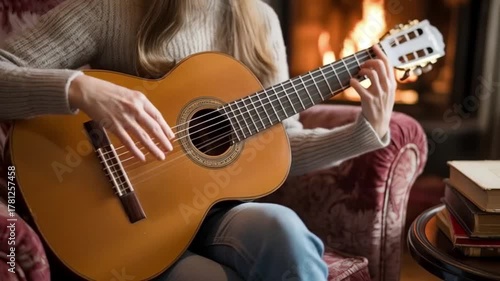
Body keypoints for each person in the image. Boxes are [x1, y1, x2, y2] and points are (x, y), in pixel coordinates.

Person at [0, 0, 396, 280]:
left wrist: (365, 132)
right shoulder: (110, 8)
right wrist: (82, 90)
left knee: (284, 229)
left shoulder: (260, 21)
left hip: (218, 215)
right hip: (124, 228)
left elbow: (280, 146)